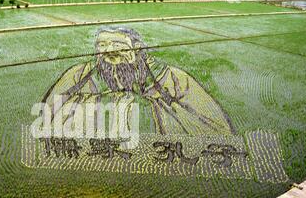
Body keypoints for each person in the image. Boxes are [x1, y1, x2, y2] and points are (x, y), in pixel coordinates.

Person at [42, 27, 235, 136]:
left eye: (117, 45)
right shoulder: (79, 75)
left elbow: (213, 124)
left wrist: (145, 108)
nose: (109, 51)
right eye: (102, 45)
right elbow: (48, 112)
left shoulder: (171, 77)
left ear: (137, 48)